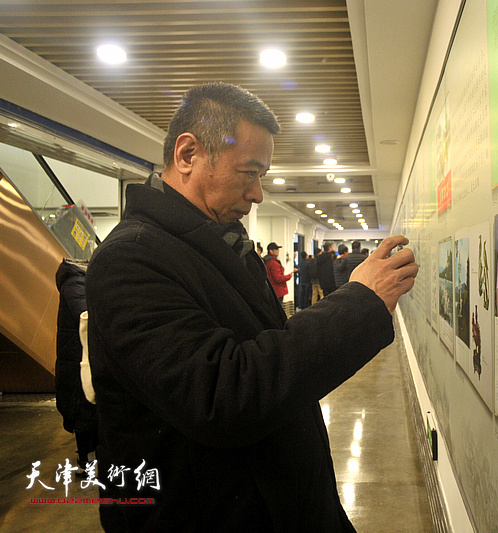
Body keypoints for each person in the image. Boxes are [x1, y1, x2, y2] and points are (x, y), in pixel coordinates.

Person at [85, 82, 418, 531]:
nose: (258, 194)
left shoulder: (219, 244)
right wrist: (359, 304)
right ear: (187, 155)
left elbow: (269, 350)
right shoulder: (131, 259)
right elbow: (223, 395)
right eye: (249, 172)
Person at [55, 257, 98, 475]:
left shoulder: (79, 282)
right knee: (84, 410)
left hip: (79, 356)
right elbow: (85, 314)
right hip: (77, 361)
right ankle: (85, 462)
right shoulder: (75, 283)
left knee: (88, 410)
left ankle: (88, 460)